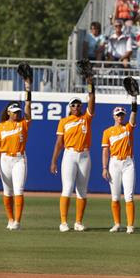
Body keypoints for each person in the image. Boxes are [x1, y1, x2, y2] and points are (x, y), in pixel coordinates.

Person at [49, 68, 96, 232]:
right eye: (73, 104)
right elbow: (59, 143)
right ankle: (63, 222)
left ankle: (78, 222)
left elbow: (92, 99)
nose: (76, 106)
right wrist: (54, 160)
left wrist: (90, 83)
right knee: (67, 188)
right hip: (69, 155)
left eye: (78, 104)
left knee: (82, 190)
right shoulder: (64, 121)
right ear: (70, 107)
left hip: (84, 155)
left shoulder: (86, 118)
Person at [0, 76, 33, 230]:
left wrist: (28, 90)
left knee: (19, 190)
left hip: (19, 159)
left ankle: (17, 221)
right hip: (4, 160)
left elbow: (28, 109)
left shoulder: (23, 124)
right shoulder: (0, 127)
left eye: (18, 111)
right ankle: (10, 219)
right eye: (14, 112)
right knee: (7, 191)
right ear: (9, 112)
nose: (17, 113)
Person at [101, 94, 139, 234]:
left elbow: (133, 118)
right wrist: (104, 168)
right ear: (113, 116)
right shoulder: (107, 132)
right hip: (114, 163)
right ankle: (117, 224)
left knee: (129, 196)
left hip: (128, 162)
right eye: (118, 115)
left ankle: (130, 225)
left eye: (122, 115)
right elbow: (105, 151)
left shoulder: (128, 128)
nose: (120, 117)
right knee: (115, 196)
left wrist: (134, 103)